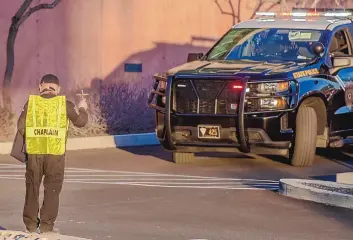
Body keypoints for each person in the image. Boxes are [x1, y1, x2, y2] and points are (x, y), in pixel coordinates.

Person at [16, 73, 88, 235]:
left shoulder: (31, 104)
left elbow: (21, 127)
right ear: (58, 89)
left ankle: (31, 226)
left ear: (40, 87)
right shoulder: (65, 104)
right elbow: (81, 122)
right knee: (52, 190)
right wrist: (83, 107)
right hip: (55, 155)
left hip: (34, 153)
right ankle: (47, 227)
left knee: (32, 189)